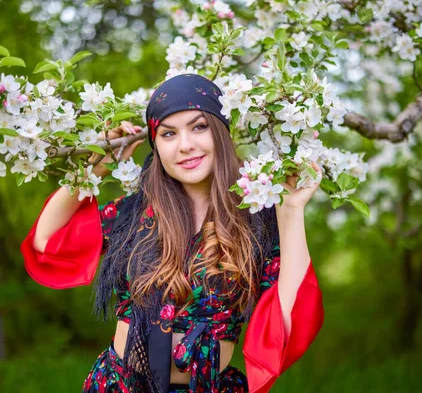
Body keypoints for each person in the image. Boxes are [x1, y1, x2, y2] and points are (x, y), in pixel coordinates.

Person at [21, 74, 324, 393]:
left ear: (220, 132)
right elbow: (47, 243)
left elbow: (290, 323)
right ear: (157, 146)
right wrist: (96, 165)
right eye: (168, 133)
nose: (185, 145)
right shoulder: (133, 214)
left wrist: (290, 211)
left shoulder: (256, 221)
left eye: (199, 127)